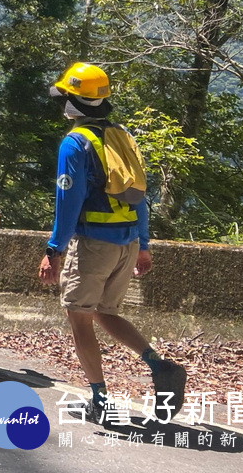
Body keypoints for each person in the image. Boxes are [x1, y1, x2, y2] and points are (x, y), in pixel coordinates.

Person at [38, 63, 186, 422]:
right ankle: (158, 364)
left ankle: (99, 400)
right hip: (127, 243)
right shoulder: (122, 135)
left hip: (93, 245)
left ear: (74, 102)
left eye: (66, 98)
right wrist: (144, 244)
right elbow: (140, 195)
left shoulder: (75, 143)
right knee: (106, 312)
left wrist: (53, 251)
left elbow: (68, 203)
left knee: (80, 317)